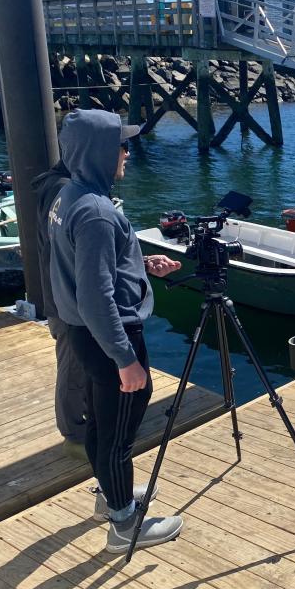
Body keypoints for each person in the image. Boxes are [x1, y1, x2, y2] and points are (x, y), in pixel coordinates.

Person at [48, 109, 183, 554]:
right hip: (110, 335)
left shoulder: (68, 196)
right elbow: (95, 295)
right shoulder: (98, 212)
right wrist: (125, 358)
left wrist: (139, 265)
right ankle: (125, 524)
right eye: (120, 145)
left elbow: (81, 270)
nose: (127, 152)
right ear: (101, 152)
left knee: (100, 426)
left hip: (84, 334)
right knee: (119, 434)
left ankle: (111, 498)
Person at [33, 157, 88, 460]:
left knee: (77, 364)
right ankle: (73, 434)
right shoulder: (66, 190)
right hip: (66, 299)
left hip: (58, 293)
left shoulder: (53, 184)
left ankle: (81, 426)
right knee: (71, 366)